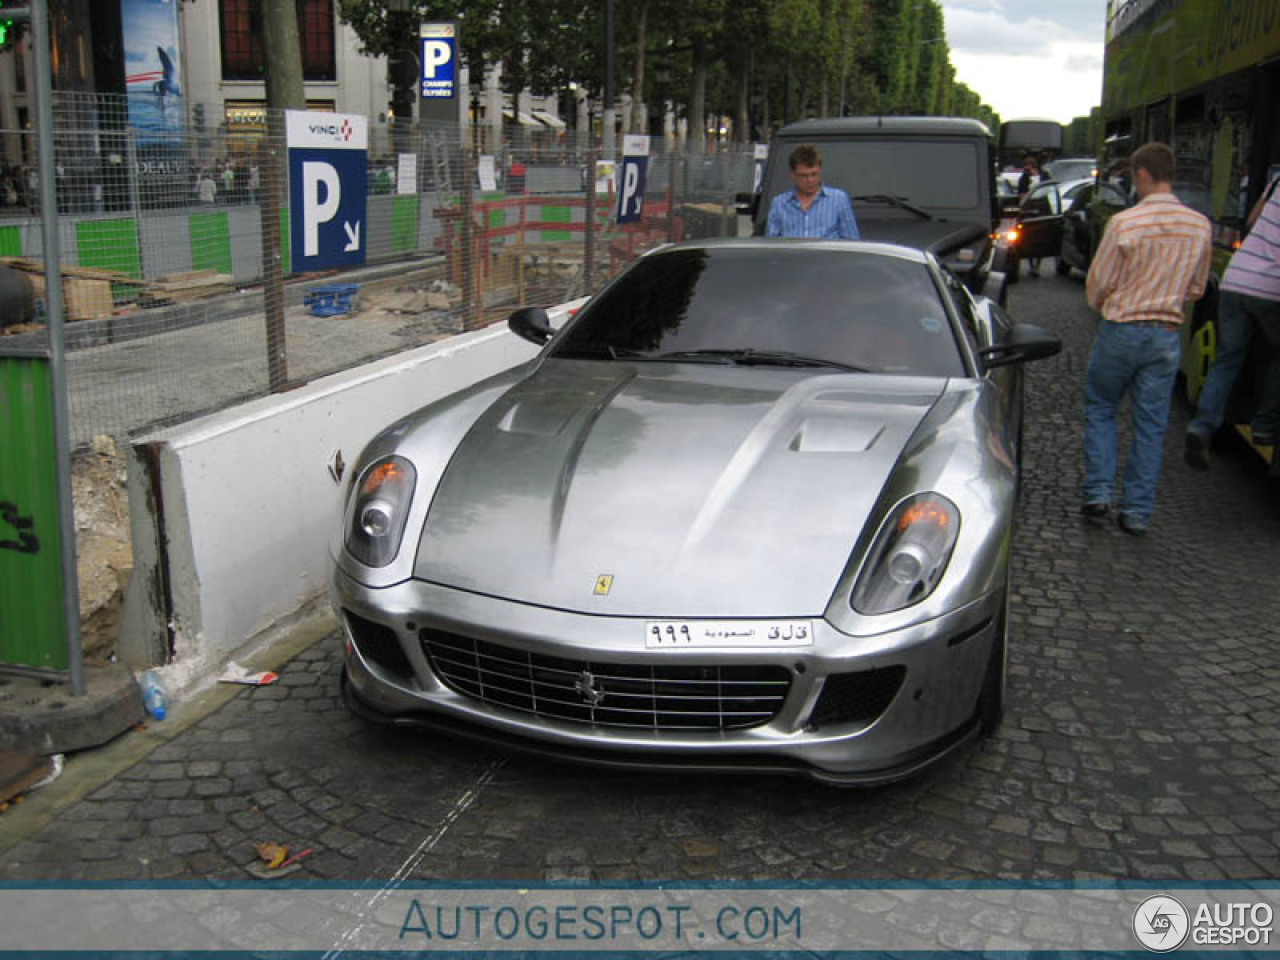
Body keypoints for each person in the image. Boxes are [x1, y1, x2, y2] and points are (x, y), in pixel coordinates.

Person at [1081, 141, 1212, 535]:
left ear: (1141, 174)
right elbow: (1196, 287)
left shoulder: (1123, 223)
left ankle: (1098, 492)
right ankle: (1136, 512)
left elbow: (1100, 282)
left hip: (1122, 328)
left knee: (1102, 408)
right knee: (1151, 425)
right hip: (1166, 333)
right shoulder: (1199, 225)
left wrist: (1104, 303)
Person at [1185, 173, 1280, 473]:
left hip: (1236, 278)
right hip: (1271, 288)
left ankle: (1202, 426)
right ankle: (1264, 426)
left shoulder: (1277, 180)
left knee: (1227, 359)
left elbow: (1252, 220)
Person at [765, 144, 859, 239]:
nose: (810, 180)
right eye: (804, 176)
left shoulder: (839, 199)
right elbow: (771, 244)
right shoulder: (779, 204)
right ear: (792, 174)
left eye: (814, 174)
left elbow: (851, 241)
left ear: (820, 171)